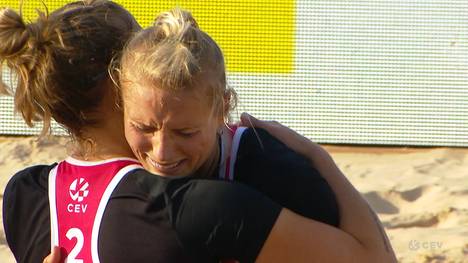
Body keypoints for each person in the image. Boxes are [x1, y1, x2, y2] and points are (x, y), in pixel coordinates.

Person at [0, 2, 396, 262]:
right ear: (121, 85)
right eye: (143, 51)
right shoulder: (200, 207)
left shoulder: (23, 195)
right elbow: (374, 259)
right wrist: (319, 158)